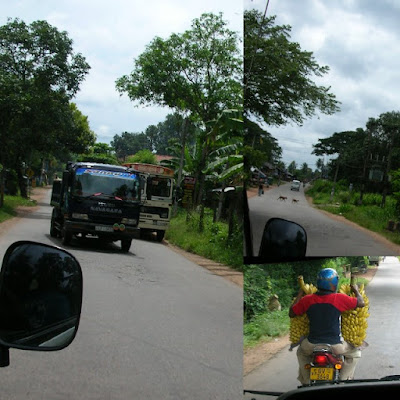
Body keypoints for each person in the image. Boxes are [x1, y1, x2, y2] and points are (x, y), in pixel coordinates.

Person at [289, 268, 365, 385]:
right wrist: (355, 290)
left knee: (301, 352)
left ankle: (306, 381)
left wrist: (300, 294)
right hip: (335, 346)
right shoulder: (339, 298)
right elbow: (361, 303)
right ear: (334, 283)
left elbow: (292, 313)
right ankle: (343, 379)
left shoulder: (307, 300)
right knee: (355, 353)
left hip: (311, 344)